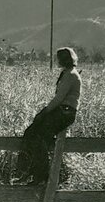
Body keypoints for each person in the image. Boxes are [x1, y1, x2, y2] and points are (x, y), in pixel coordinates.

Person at [15, 47, 81, 185]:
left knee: (37, 136)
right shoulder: (68, 73)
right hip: (63, 111)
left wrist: (43, 112)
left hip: (65, 112)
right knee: (32, 133)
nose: (57, 61)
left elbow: (59, 99)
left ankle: (40, 176)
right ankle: (31, 172)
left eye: (59, 58)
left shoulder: (70, 75)